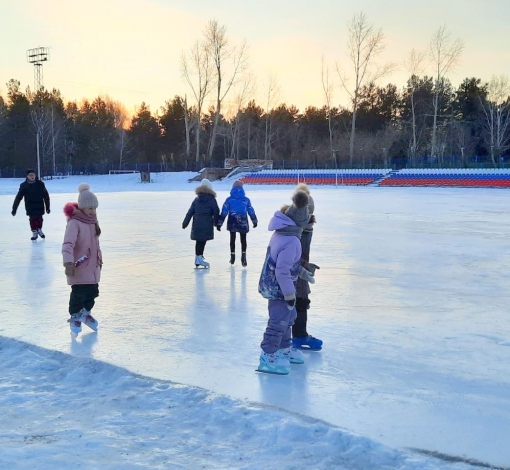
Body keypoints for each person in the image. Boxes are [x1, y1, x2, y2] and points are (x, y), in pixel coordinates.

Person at [257, 190, 317, 375]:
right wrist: (290, 294)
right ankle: (267, 356)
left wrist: (303, 272)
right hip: (279, 289)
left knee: (287, 319)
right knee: (278, 321)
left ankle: (283, 350)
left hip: (278, 286)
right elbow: (282, 270)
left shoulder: (283, 234)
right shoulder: (292, 240)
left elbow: (287, 264)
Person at [62, 183, 102, 336]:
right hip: (79, 266)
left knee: (93, 292)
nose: (93, 211)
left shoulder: (92, 222)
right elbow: (68, 244)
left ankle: (85, 312)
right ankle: (75, 315)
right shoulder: (75, 223)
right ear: (82, 207)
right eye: (90, 208)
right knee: (79, 292)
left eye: (95, 208)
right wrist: (68, 263)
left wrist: (99, 259)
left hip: (92, 266)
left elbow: (95, 245)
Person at [292, 183, 323, 351]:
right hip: (293, 273)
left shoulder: (306, 227)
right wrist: (304, 266)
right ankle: (298, 336)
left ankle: (298, 334)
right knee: (299, 301)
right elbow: (291, 257)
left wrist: (306, 264)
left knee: (300, 301)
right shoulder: (296, 229)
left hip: (299, 270)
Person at [217, 180, 258, 267]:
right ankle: (243, 256)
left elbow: (224, 212)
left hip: (232, 221)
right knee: (243, 239)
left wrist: (220, 223)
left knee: (232, 239)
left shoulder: (229, 200)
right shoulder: (246, 200)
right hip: (243, 221)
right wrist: (254, 220)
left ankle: (232, 256)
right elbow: (251, 210)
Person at [182, 178, 220, 268]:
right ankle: (199, 258)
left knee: (199, 241)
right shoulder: (211, 199)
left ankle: (198, 257)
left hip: (197, 224)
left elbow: (190, 212)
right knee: (202, 241)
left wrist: (185, 223)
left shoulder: (196, 199)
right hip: (206, 224)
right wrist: (217, 223)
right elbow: (216, 211)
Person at [11, 169, 50, 241]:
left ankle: (39, 229)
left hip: (39, 204)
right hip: (30, 205)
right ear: (27, 176)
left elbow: (46, 195)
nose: (32, 176)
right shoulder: (24, 185)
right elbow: (18, 197)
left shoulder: (40, 184)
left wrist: (48, 207)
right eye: (30, 175)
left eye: (33, 175)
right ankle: (34, 232)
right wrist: (14, 209)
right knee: (32, 219)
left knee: (39, 218)